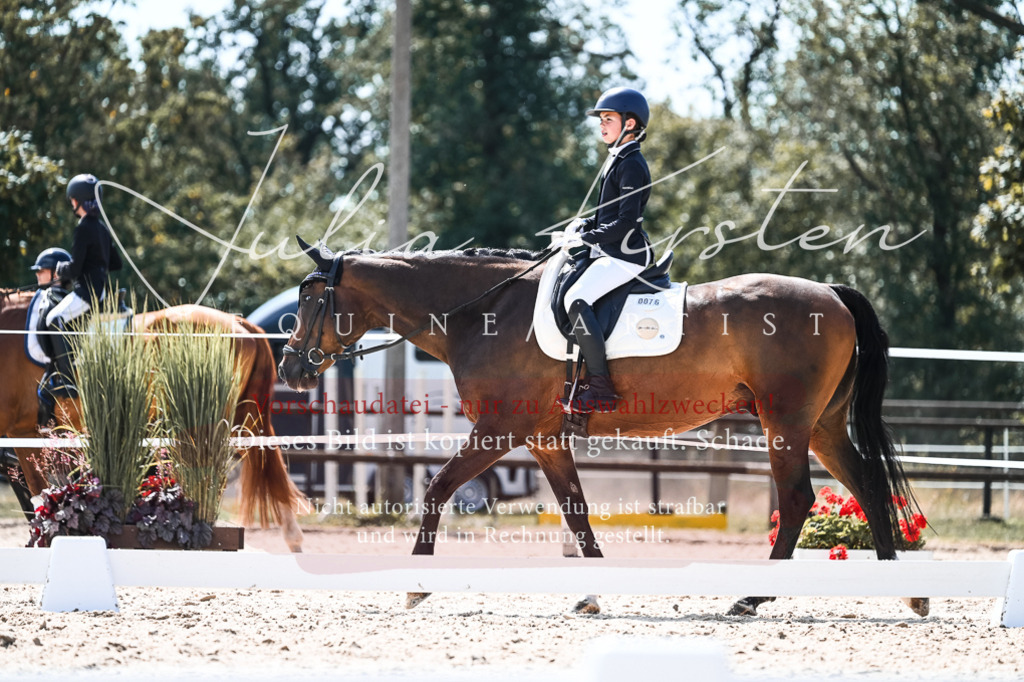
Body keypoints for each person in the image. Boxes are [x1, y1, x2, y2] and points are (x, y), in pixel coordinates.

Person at [561, 87, 654, 414]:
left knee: (576, 298)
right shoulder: (618, 159)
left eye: (609, 119)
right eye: (601, 119)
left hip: (626, 255)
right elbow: (607, 214)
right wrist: (582, 225)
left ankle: (601, 385)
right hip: (610, 252)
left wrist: (588, 238)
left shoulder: (632, 164)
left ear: (630, 124)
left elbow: (626, 222)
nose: (602, 125)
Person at [43, 174, 123, 397]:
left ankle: (67, 381)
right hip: (101, 292)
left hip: (86, 292)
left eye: (72, 200)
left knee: (53, 319)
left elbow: (75, 269)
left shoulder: (83, 228)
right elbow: (116, 263)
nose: (71, 204)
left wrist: (61, 269)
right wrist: (98, 262)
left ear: (78, 200)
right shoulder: (102, 229)